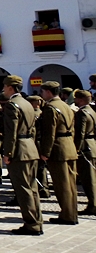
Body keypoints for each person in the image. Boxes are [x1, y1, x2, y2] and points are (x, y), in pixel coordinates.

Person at [2, 75, 43, 235]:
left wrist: (8, 153)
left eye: (5, 87)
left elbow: (11, 132)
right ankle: (37, 221)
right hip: (30, 148)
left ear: (11, 87)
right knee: (32, 188)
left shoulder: (13, 105)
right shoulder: (27, 103)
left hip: (19, 149)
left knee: (23, 189)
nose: (4, 89)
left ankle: (31, 224)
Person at [39, 81, 78, 224]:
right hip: (69, 146)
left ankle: (67, 215)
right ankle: (72, 213)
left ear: (48, 92)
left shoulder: (51, 108)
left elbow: (49, 133)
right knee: (71, 184)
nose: (41, 95)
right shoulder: (65, 106)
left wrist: (45, 152)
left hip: (58, 148)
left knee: (62, 185)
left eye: (42, 92)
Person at [73, 89, 96, 215]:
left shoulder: (82, 113)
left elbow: (80, 134)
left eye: (76, 99)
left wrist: (76, 149)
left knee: (88, 180)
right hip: (93, 145)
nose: (75, 101)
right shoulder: (92, 111)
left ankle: (93, 205)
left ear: (80, 99)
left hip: (86, 147)